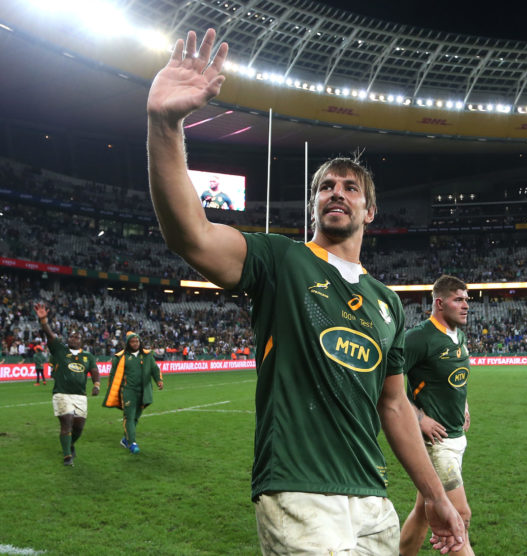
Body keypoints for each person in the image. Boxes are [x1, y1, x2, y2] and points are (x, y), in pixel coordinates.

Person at [147, 28, 465, 554]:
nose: (335, 193)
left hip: (371, 497)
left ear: (370, 211)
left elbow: (394, 407)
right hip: (298, 490)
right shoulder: (282, 260)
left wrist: (434, 497)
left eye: (349, 187)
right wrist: (165, 123)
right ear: (314, 204)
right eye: (325, 186)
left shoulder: (386, 301)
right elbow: (191, 235)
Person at [400, 275, 475, 556]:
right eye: (459, 299)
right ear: (440, 303)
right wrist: (419, 418)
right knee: (458, 515)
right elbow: (385, 382)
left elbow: (457, 379)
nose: (466, 305)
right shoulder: (418, 338)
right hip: (437, 445)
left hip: (456, 438)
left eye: (467, 299)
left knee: (423, 511)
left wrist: (464, 404)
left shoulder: (459, 335)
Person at [33, 302, 100, 466]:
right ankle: (67, 456)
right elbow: (49, 334)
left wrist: (96, 384)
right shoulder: (60, 349)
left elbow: (94, 370)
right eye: (71, 336)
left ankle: (70, 444)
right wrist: (43, 321)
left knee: (79, 428)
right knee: (67, 421)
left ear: (82, 341)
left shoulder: (88, 356)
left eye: (77, 337)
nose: (73, 338)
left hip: (80, 395)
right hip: (61, 393)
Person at [103, 331, 163, 454]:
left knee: (135, 417)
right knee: (129, 417)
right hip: (128, 391)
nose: (135, 343)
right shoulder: (121, 357)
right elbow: (113, 375)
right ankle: (132, 443)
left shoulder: (146, 355)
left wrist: (159, 381)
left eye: (137, 341)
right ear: (128, 343)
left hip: (144, 392)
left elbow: (154, 369)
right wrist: (114, 390)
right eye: (132, 341)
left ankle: (126, 439)